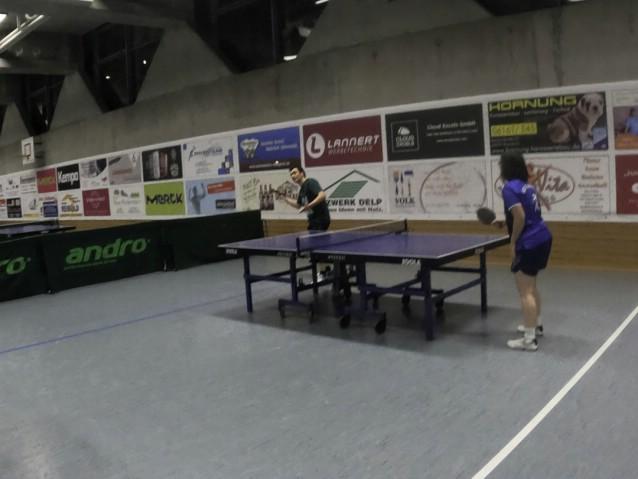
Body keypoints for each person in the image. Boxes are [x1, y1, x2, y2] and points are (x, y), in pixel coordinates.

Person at [500, 152, 553, 352]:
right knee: (531, 286)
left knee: (525, 291)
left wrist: (512, 241)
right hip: (543, 237)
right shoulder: (527, 186)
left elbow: (520, 217)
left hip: (529, 242)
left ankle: (529, 340)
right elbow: (527, 214)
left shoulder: (509, 188)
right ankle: (535, 324)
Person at [283, 166, 330, 231]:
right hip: (313, 221)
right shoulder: (302, 190)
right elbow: (298, 205)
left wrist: (309, 206)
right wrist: (285, 199)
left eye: (294, 173)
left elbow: (322, 195)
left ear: (302, 173)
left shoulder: (310, 182)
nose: (292, 176)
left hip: (320, 220)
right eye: (291, 174)